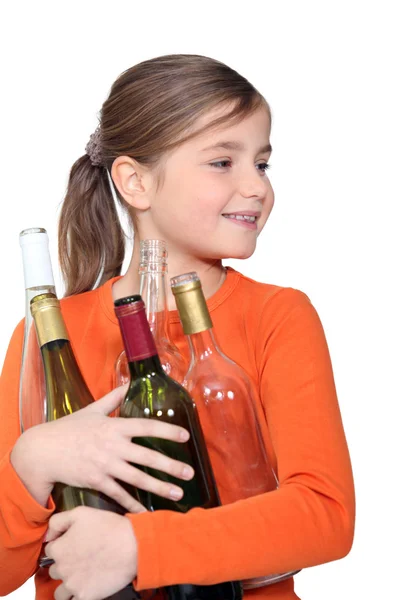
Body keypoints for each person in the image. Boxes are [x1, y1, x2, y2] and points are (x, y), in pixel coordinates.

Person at [0, 54, 355, 600]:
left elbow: (324, 517)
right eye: (221, 162)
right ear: (135, 181)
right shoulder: (49, 337)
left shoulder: (278, 317)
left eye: (261, 164)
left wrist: (139, 547)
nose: (255, 187)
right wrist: (30, 465)